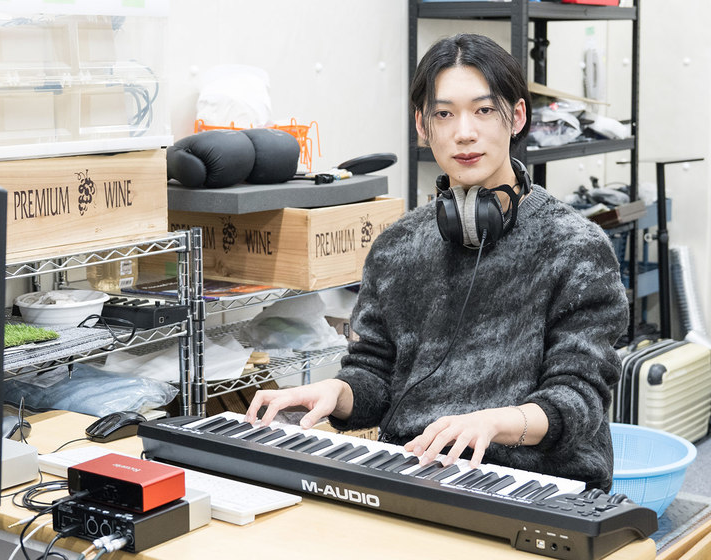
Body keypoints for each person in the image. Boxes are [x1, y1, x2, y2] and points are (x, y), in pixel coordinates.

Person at [244, 33, 628, 491]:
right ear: (422, 126)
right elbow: (374, 377)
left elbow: (579, 398)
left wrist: (492, 423)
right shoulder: (397, 246)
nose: (464, 132)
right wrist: (337, 392)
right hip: (416, 472)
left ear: (517, 117)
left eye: (484, 110)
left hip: (538, 483)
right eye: (444, 114)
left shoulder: (576, 246)